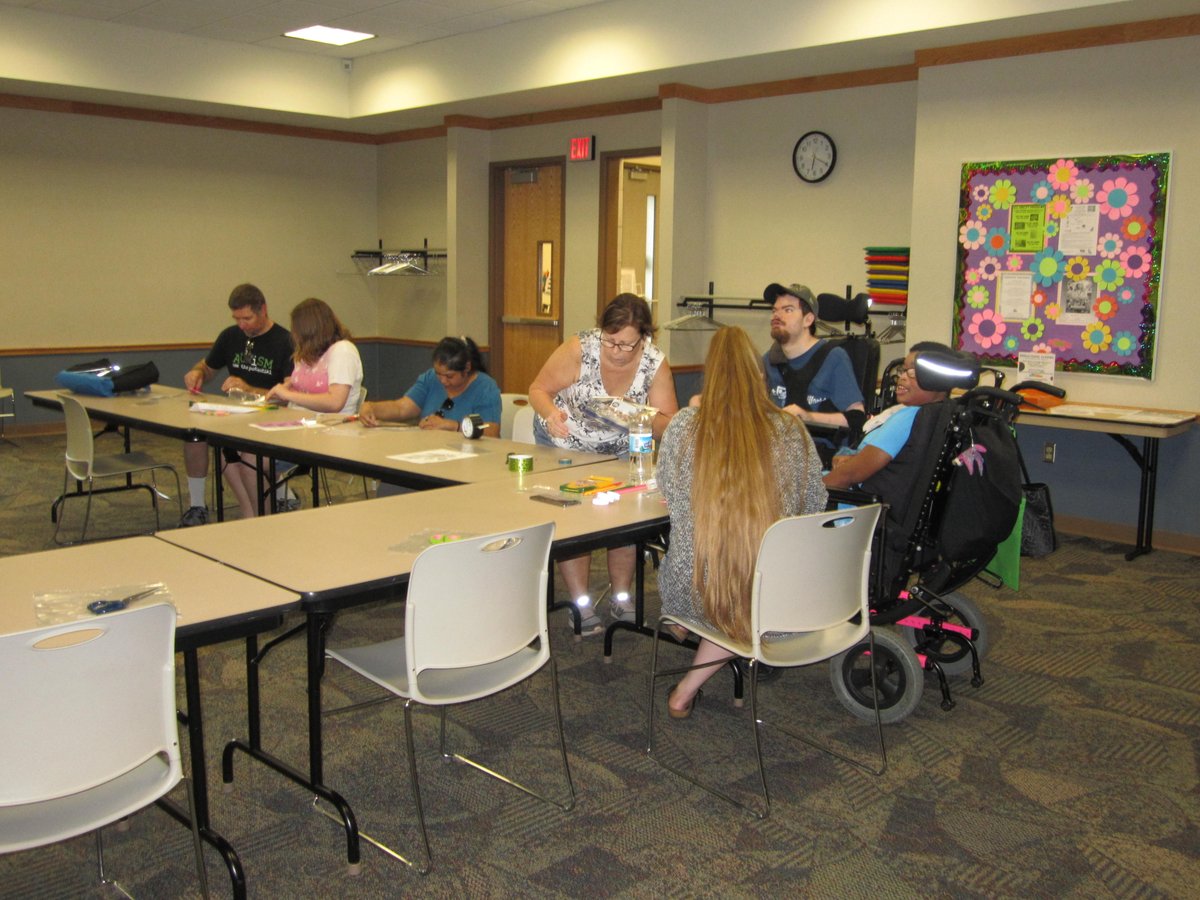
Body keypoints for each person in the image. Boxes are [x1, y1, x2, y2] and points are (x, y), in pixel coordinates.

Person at [657, 326, 827, 717]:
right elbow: (816, 502)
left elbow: (667, 490)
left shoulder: (685, 426)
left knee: (721, 580)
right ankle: (690, 671)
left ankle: (686, 650)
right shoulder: (791, 430)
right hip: (782, 593)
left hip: (692, 585)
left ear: (708, 375)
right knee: (743, 582)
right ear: (760, 374)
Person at [529, 293, 679, 634]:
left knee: (622, 522)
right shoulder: (579, 348)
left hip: (620, 448)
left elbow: (668, 426)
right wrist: (551, 414)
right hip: (565, 442)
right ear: (602, 333)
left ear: (644, 337)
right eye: (611, 342)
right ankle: (580, 604)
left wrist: (637, 413)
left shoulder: (654, 362)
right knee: (574, 521)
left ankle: (622, 597)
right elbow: (537, 389)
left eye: (628, 345)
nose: (618, 352)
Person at [225, 298, 363, 518]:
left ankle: (264, 518)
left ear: (310, 330)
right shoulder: (307, 353)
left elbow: (335, 402)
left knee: (251, 459)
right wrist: (277, 394)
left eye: (296, 329)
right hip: (300, 425)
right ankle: (250, 513)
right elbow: (297, 389)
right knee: (228, 452)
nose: (293, 334)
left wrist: (288, 394)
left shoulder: (342, 351)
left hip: (331, 430)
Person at [179, 283, 294, 526]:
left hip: (273, 418)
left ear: (263, 310)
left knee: (244, 455)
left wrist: (249, 388)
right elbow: (208, 367)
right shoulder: (230, 336)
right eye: (237, 318)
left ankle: (275, 502)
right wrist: (197, 372)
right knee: (216, 447)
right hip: (237, 416)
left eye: (247, 318)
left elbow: (287, 395)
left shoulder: (285, 341)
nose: (242, 325)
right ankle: (244, 511)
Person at [822, 341, 955, 493]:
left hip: (850, 504)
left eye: (913, 372)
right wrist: (855, 459)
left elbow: (848, 475)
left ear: (936, 378)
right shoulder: (940, 415)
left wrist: (803, 498)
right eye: (903, 370)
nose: (902, 377)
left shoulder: (908, 417)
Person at [762, 282, 866, 462]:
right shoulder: (769, 360)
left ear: (808, 320)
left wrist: (809, 417)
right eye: (774, 310)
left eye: (787, 310)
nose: (777, 315)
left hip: (817, 457)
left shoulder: (834, 358)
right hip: (774, 453)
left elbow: (856, 419)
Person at [359, 336, 501, 435]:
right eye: (439, 373)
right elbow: (401, 408)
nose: (443, 381)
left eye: (449, 376)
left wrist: (452, 426)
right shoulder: (430, 378)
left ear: (467, 368)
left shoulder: (485, 387)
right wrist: (372, 407)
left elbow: (491, 430)